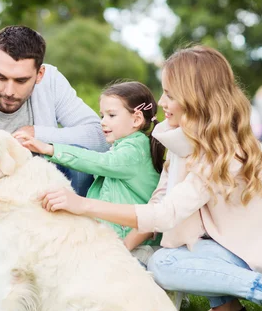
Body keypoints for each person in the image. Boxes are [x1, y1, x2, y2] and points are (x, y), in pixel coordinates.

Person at [38, 46, 262, 311]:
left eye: (170, 94)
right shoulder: (184, 136)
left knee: (166, 264)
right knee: (171, 253)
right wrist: (121, 247)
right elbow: (160, 200)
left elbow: (167, 215)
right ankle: (225, 307)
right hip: (231, 242)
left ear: (196, 98)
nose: (162, 101)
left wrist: (84, 205)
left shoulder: (223, 149)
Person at [0, 25, 108, 307]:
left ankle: (64, 271)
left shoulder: (52, 82)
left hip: (43, 199)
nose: (8, 91)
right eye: (1, 77)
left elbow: (100, 137)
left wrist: (40, 135)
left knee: (78, 158)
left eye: (20, 81)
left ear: (39, 74)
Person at [17, 81, 165, 255]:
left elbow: (99, 161)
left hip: (135, 247)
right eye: (102, 115)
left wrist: (50, 148)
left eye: (111, 115)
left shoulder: (135, 149)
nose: (103, 122)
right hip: (116, 240)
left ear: (136, 119)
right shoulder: (125, 146)